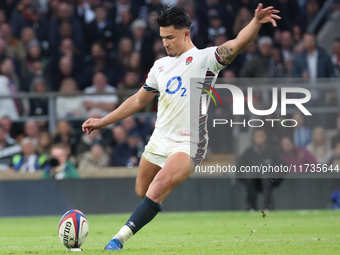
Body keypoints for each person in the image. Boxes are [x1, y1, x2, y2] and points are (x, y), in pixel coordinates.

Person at [82, 4, 281, 250]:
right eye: (162, 37)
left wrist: (256, 22)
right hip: (159, 139)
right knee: (142, 189)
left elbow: (238, 43)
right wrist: (103, 121)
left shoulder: (206, 59)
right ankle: (154, 202)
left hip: (189, 142)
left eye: (170, 37)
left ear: (186, 34)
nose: (165, 43)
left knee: (158, 186)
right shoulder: (160, 66)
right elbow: (137, 100)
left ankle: (118, 239)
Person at [237, 128, 286, 211]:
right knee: (251, 176)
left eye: (261, 136)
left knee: (266, 177)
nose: (259, 138)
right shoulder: (247, 152)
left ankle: (268, 207)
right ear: (253, 138)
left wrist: (274, 178)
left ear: (265, 137)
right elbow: (239, 170)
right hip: (252, 182)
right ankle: (251, 207)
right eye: (256, 136)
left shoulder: (273, 151)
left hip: (269, 181)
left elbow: (283, 167)